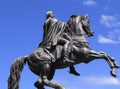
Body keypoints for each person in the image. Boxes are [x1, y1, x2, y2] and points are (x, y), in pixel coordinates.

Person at [39, 11, 80, 76]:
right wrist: (71, 21)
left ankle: (71, 68)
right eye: (52, 13)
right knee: (67, 42)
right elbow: (60, 25)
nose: (53, 14)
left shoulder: (45, 22)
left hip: (48, 39)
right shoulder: (53, 20)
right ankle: (65, 58)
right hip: (54, 38)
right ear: (50, 14)